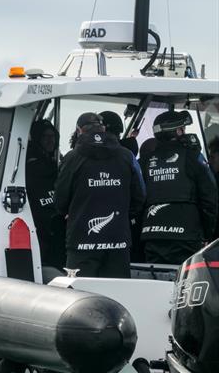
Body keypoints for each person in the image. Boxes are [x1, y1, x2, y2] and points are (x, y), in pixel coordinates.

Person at [54, 112, 146, 278]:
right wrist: (124, 215)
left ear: (79, 131)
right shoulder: (127, 156)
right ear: (103, 129)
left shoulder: (71, 158)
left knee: (80, 298)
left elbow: (60, 202)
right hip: (118, 242)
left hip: (82, 243)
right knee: (118, 297)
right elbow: (140, 196)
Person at [139, 111, 218, 264]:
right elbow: (210, 199)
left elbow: (136, 198)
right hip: (186, 236)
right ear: (177, 131)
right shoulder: (193, 158)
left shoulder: (144, 161)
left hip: (152, 236)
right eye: (183, 129)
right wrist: (207, 234)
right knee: (184, 283)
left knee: (156, 279)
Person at [25, 119, 66, 270]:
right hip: (40, 217)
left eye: (52, 137)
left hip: (53, 216)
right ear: (37, 139)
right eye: (45, 137)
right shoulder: (31, 162)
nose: (50, 140)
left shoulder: (54, 161)